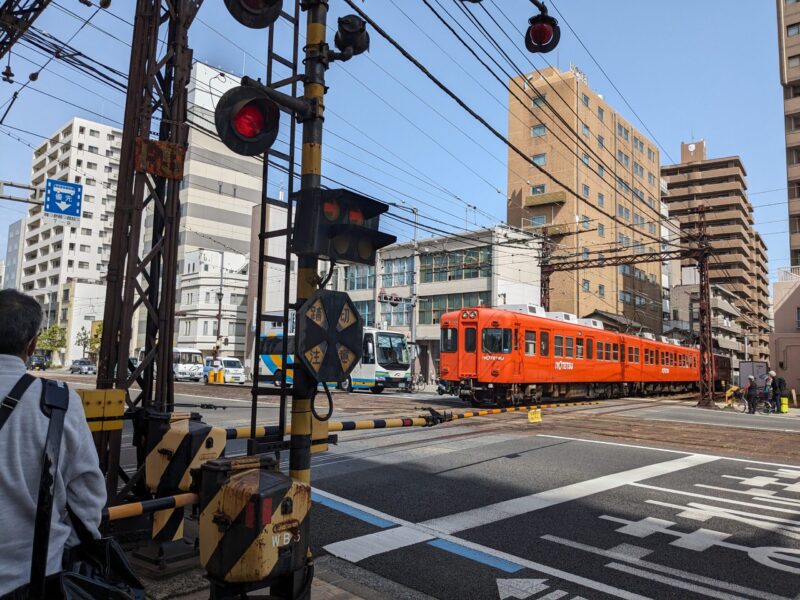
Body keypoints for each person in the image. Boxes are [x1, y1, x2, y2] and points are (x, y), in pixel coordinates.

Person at [0, 289, 106, 596]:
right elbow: (86, 495)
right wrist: (66, 546)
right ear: (32, 343)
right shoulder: (58, 400)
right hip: (34, 576)